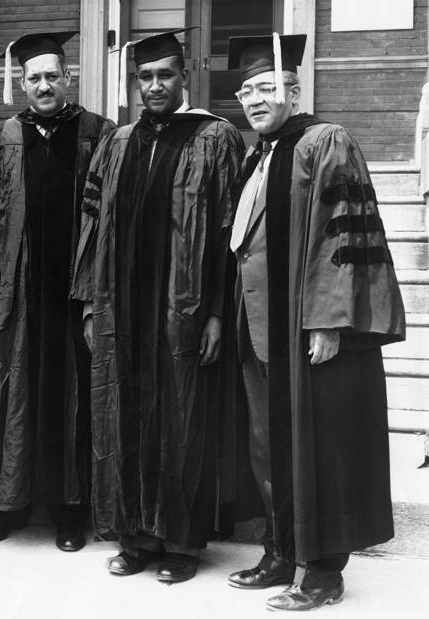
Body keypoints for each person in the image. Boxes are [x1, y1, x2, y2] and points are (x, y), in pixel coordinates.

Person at [225, 33, 405, 611]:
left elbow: (343, 236)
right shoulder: (261, 153)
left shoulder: (325, 141)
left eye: (265, 87)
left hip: (307, 327)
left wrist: (328, 320)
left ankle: (325, 574)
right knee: (268, 443)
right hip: (259, 325)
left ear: (293, 88)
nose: (253, 99)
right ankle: (281, 552)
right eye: (245, 90)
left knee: (319, 446)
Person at [70, 29, 244, 583]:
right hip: (122, 307)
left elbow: (228, 234)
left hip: (183, 310)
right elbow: (93, 227)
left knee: (182, 417)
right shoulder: (118, 142)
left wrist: (217, 310)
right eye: (144, 76)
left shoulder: (216, 138)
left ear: (184, 77)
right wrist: (90, 305)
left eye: (164, 74)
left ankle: (182, 544)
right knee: (123, 413)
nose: (154, 86)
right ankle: (135, 536)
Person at [0, 31, 115, 550]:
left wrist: (99, 294)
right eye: (34, 77)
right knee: (12, 392)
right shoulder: (2, 136)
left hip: (75, 292)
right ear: (22, 84)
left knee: (70, 398)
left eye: (53, 75)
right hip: (18, 291)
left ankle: (69, 511)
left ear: (68, 77)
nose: (44, 85)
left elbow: (111, 221)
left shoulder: (99, 133)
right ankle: (7, 507)